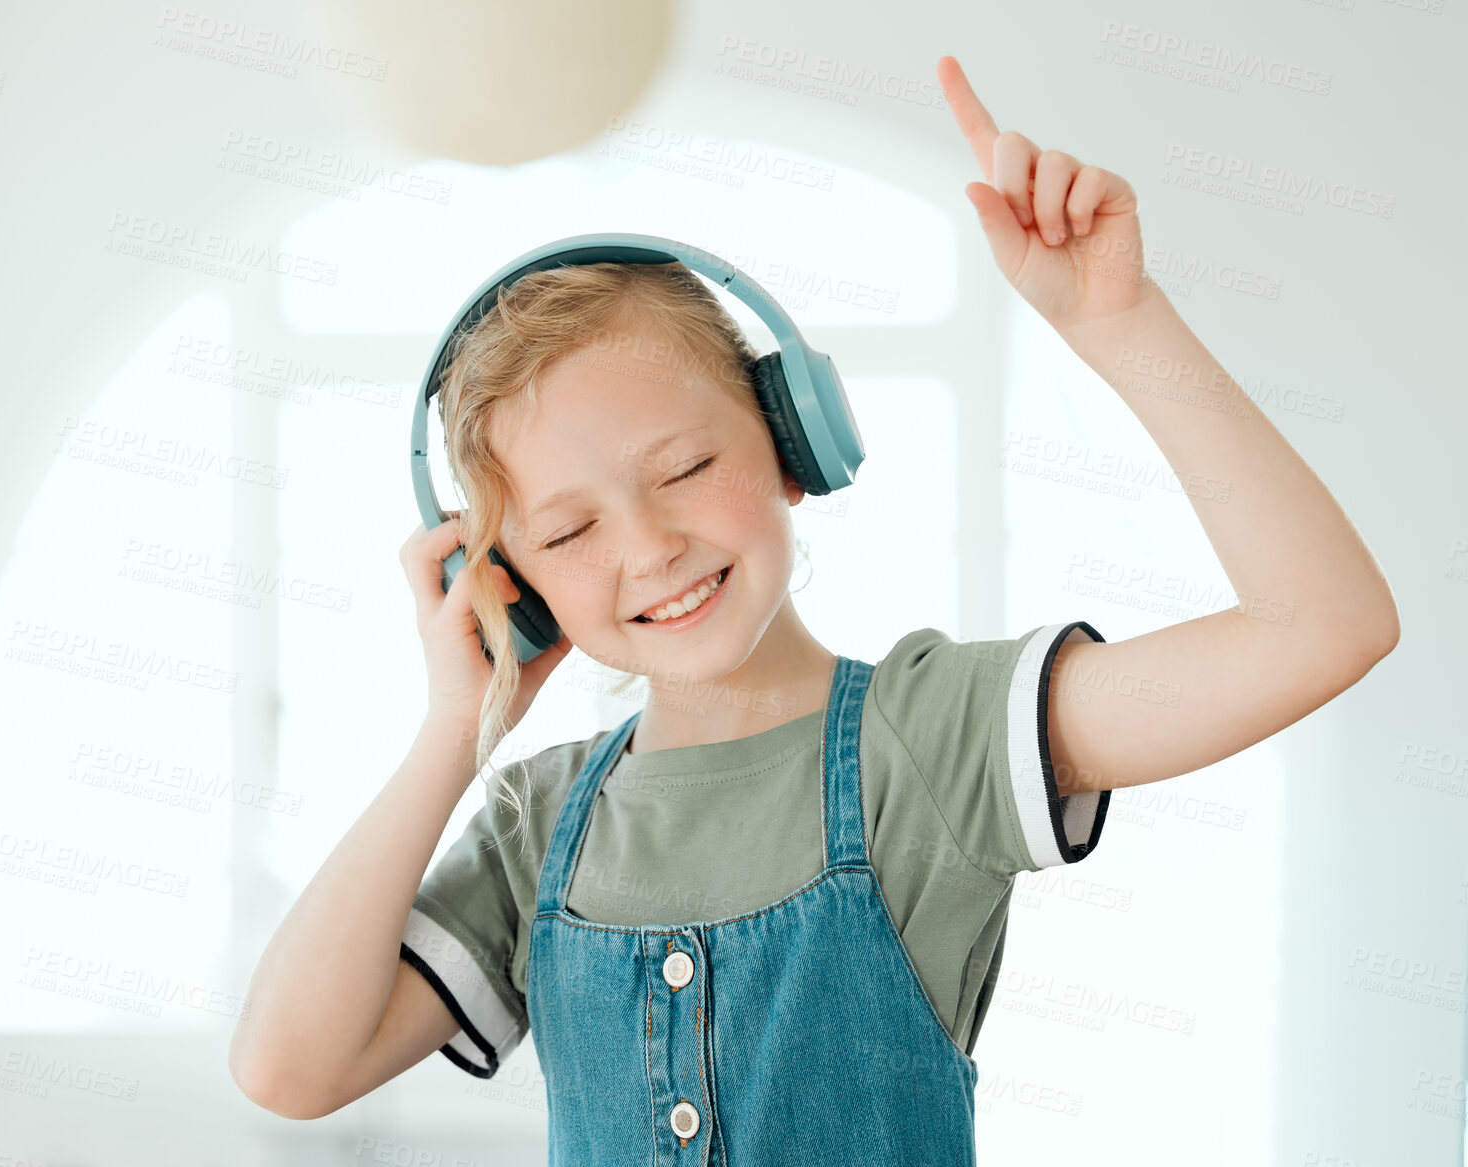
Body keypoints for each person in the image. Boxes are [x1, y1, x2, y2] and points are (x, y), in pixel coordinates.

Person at [228, 55, 1400, 1161]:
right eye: (570, 531)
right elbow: (287, 1067)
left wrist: (1119, 321)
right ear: (513, 585)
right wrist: (454, 730)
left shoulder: (934, 740)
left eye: (685, 469)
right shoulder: (542, 829)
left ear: (795, 443)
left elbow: (1321, 628)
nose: (648, 548)